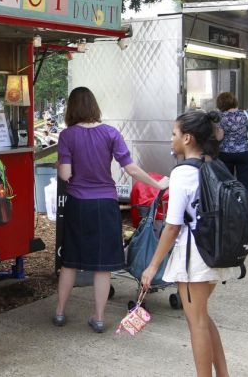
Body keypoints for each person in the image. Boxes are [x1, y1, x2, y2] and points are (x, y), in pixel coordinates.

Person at [53, 86, 168, 333]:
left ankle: (60, 312)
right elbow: (131, 169)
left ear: (71, 108)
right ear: (94, 106)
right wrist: (157, 184)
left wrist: (60, 164)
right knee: (102, 265)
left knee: (70, 262)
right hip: (105, 203)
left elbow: (65, 174)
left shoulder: (67, 136)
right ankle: (99, 317)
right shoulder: (111, 133)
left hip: (78, 205)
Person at [141, 111, 240, 377]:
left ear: (187, 138)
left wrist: (152, 266)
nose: (171, 139)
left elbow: (172, 226)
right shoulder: (213, 165)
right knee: (203, 318)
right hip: (216, 249)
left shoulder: (183, 172)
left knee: (196, 322)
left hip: (194, 256)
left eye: (174, 134)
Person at [215, 92, 248, 196]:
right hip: (244, 151)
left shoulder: (222, 117)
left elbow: (219, 137)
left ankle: (229, 205)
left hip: (226, 153)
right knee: (245, 181)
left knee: (227, 182)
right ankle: (246, 207)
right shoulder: (246, 114)